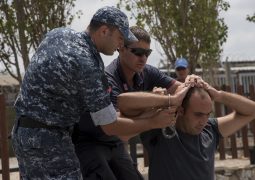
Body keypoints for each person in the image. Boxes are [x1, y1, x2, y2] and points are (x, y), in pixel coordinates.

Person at [11, 6, 149, 179]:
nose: (121, 44)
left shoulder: (58, 34)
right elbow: (110, 126)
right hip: (49, 141)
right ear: (104, 31)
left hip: (23, 134)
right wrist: (153, 121)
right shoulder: (87, 64)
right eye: (120, 38)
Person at [72, 26, 189, 179]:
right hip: (90, 142)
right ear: (120, 48)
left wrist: (191, 82)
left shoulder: (147, 72)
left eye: (147, 53)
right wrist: (154, 111)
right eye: (137, 52)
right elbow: (117, 128)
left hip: (114, 144)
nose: (143, 58)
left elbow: (179, 88)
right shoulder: (108, 78)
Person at [118, 81, 255, 180]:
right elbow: (123, 103)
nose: (204, 120)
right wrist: (167, 100)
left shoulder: (210, 129)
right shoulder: (161, 129)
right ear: (181, 110)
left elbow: (251, 111)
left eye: (208, 114)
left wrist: (218, 95)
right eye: (198, 114)